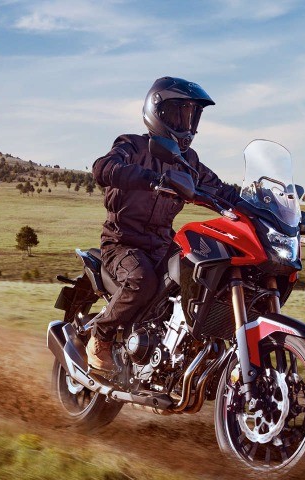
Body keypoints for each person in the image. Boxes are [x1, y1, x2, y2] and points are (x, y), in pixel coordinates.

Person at [89, 76, 240, 371]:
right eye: (178, 114)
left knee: (201, 278)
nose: (185, 123)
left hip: (161, 244)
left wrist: (258, 204)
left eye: (191, 115)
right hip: (122, 242)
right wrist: (151, 179)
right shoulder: (132, 145)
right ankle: (101, 336)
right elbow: (102, 167)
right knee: (141, 280)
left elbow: (220, 189)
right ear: (157, 112)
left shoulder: (189, 161)